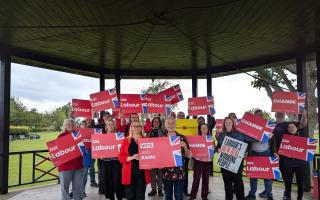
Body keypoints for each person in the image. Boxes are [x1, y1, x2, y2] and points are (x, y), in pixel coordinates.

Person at [215, 117, 256, 200]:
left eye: (230, 122)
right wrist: (217, 149)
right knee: (227, 183)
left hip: (237, 162)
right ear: (224, 124)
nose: (228, 123)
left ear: (233, 123)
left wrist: (266, 136)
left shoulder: (240, 133)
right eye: (226, 122)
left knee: (238, 182)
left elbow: (252, 139)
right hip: (225, 162)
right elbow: (218, 146)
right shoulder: (221, 135)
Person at [272, 111, 307, 199]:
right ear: (275, 115)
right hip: (283, 159)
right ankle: (287, 195)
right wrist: (275, 151)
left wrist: (304, 115)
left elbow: (303, 124)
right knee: (287, 180)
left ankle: (298, 197)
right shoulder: (271, 126)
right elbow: (272, 141)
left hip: (299, 161)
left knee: (300, 182)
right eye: (278, 113)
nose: (281, 114)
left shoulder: (290, 125)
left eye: (282, 113)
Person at [245, 110, 276, 200]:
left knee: (267, 175)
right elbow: (246, 140)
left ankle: (268, 194)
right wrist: (246, 151)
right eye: (258, 115)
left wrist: (274, 152)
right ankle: (252, 194)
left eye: (261, 115)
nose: (260, 116)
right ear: (254, 116)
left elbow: (273, 141)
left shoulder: (268, 126)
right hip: (253, 153)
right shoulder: (250, 126)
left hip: (266, 153)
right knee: (253, 176)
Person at [118, 121, 151, 200]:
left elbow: (150, 155)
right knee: (130, 197)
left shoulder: (146, 140)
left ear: (141, 128)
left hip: (142, 174)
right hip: (129, 174)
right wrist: (132, 157)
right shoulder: (125, 141)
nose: (137, 128)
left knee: (140, 197)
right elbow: (120, 157)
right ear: (131, 128)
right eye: (134, 126)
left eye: (139, 126)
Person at [162, 116, 190, 200]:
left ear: (176, 124)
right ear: (165, 124)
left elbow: (188, 155)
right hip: (165, 173)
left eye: (173, 123)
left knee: (179, 196)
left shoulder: (182, 137)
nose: (171, 125)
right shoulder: (161, 139)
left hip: (179, 173)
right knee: (168, 196)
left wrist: (184, 146)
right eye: (168, 123)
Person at [57, 119, 84, 200]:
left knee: (78, 187)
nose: (70, 126)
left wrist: (84, 149)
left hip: (78, 165)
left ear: (75, 125)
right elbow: (57, 150)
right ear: (65, 126)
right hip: (65, 166)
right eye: (68, 124)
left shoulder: (78, 135)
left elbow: (82, 149)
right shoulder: (61, 136)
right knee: (65, 188)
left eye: (72, 124)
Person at [101, 119, 125, 200]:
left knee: (117, 182)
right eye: (108, 124)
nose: (110, 126)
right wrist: (99, 155)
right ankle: (111, 198)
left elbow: (123, 149)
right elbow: (98, 150)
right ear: (106, 126)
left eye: (112, 124)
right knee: (109, 183)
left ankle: (119, 198)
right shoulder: (102, 137)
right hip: (106, 162)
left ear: (114, 126)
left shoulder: (119, 136)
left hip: (117, 162)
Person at [189, 124, 212, 200]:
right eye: (203, 128)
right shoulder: (196, 138)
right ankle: (192, 196)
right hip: (198, 161)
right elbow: (192, 149)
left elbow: (213, 150)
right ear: (200, 129)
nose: (204, 129)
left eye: (205, 128)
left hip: (207, 162)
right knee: (196, 179)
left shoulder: (210, 139)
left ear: (208, 129)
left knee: (206, 179)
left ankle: (204, 196)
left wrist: (213, 149)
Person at [147, 117, 165, 197]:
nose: (156, 123)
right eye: (155, 121)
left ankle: (160, 189)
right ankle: (153, 189)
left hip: (161, 155)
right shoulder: (149, 131)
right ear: (152, 122)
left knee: (160, 174)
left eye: (158, 121)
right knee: (152, 174)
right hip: (151, 155)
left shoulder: (163, 131)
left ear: (160, 123)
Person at [176, 111, 190, 196]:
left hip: (186, 151)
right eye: (179, 115)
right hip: (176, 153)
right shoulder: (174, 125)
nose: (181, 116)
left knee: (186, 173)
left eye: (182, 115)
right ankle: (178, 190)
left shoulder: (189, 124)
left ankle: (185, 189)